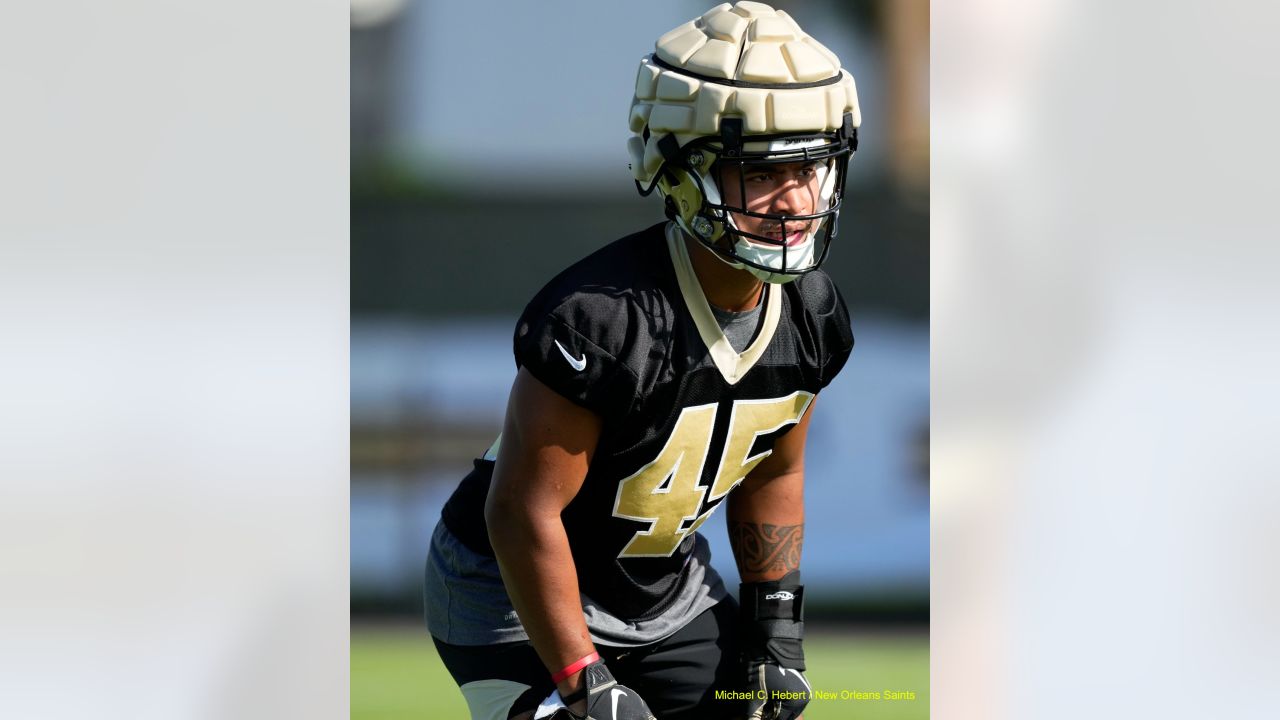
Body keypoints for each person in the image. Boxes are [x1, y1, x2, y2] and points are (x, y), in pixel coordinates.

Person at [423, 3, 860, 718]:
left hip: (662, 593)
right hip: (507, 590)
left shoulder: (812, 316)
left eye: (812, 165)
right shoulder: (603, 321)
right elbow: (522, 510)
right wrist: (582, 680)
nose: (795, 198)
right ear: (680, 172)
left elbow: (775, 468)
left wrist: (776, 630)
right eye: (760, 172)